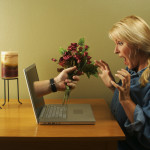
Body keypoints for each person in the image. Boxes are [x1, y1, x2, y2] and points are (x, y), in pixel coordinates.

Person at [95, 15, 150, 150]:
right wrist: (114, 87)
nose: (115, 51)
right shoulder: (133, 71)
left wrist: (125, 100)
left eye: (120, 43)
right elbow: (133, 103)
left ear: (137, 44)